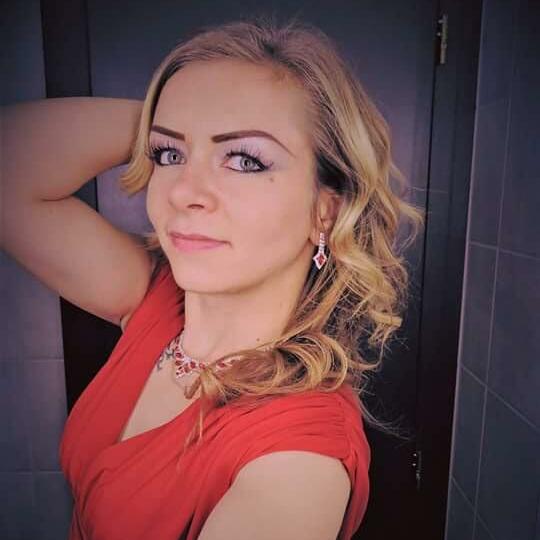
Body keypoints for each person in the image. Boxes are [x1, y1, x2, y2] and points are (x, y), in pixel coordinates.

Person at [1, 16, 423, 540]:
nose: (183, 191)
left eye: (244, 160)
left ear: (326, 211)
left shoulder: (297, 460)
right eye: (169, 154)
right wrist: (176, 117)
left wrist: (186, 127)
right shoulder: (155, 302)